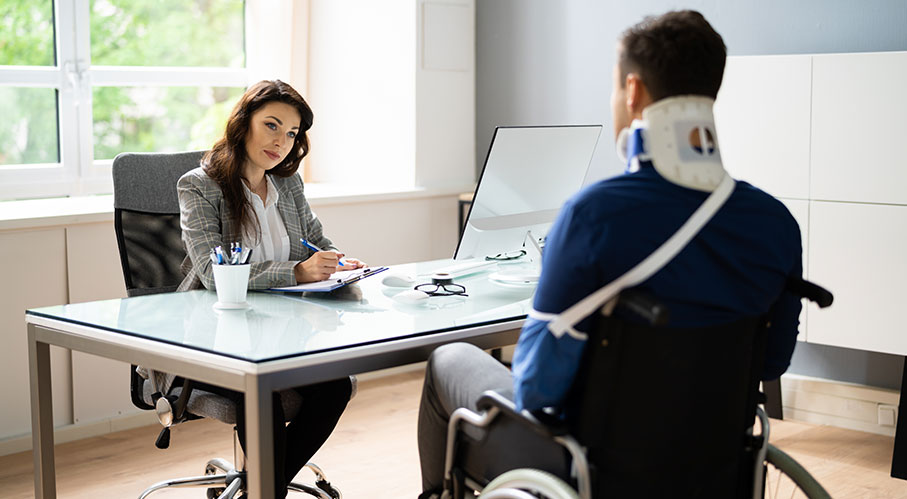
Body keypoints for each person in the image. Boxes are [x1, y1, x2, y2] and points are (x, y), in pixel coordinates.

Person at [416, 10, 803, 496]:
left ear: (634, 91)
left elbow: (537, 390)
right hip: (715, 451)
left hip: (593, 459)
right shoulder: (775, 221)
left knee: (448, 358)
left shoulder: (595, 214)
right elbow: (770, 363)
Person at [177, 79, 364, 497]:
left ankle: (264, 489)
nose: (281, 141)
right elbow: (211, 273)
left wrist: (337, 262)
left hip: (285, 332)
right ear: (244, 124)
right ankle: (268, 491)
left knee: (336, 385)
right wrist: (297, 272)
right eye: (272, 125)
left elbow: (314, 237)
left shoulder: (288, 183)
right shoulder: (199, 186)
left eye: (292, 133)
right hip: (217, 337)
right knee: (260, 391)